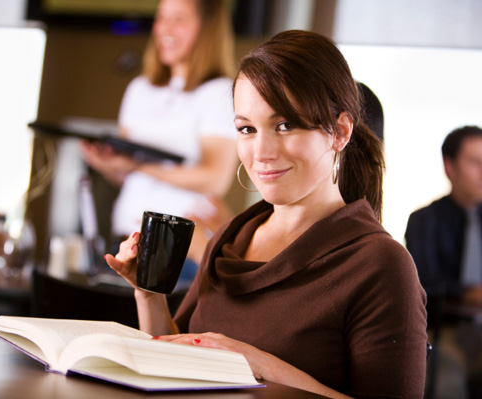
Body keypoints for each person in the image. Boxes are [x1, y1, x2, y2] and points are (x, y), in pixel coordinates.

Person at [105, 30, 428, 398]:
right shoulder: (231, 237)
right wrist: (148, 294)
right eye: (247, 129)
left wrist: (257, 364)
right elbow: (177, 353)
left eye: (285, 125)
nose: (261, 152)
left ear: (340, 132)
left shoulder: (381, 266)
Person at [81, 0, 239, 265]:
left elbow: (214, 179)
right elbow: (127, 176)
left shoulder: (219, 92)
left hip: (178, 251)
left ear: (207, 28)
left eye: (178, 19)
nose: (165, 28)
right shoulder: (139, 89)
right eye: (162, 18)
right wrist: (108, 165)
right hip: (127, 238)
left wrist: (137, 166)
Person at [405, 125, 482, 399]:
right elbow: (422, 286)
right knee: (444, 374)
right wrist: (468, 294)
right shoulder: (425, 221)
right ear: (450, 166)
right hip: (442, 331)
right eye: (475, 162)